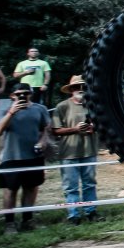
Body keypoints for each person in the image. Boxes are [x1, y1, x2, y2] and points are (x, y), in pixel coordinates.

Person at [0, 83, 50, 233]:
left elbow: (45, 130)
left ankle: (27, 220)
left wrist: (43, 142)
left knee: (31, 188)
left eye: (25, 93)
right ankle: (9, 223)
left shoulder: (40, 109)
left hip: (33, 156)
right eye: (18, 94)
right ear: (12, 95)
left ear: (31, 94)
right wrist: (11, 112)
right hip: (11, 156)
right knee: (10, 190)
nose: (22, 96)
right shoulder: (4, 108)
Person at [52, 76, 101, 225]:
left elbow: (102, 125)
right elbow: (55, 130)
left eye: (83, 87)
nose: (80, 90)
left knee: (89, 183)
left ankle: (91, 211)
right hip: (69, 152)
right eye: (76, 87)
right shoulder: (62, 106)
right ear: (71, 90)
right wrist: (75, 129)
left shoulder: (93, 106)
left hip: (89, 150)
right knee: (70, 186)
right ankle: (73, 215)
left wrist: (93, 128)